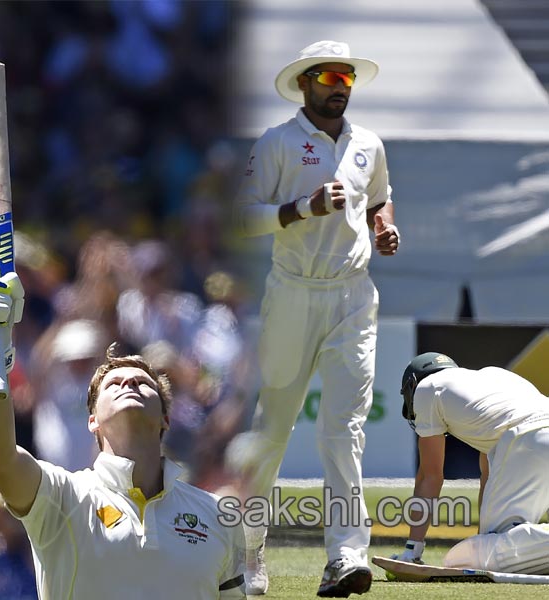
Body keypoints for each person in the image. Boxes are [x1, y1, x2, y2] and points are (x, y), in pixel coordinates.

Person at [0, 268, 246, 599]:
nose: (129, 382)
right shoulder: (62, 496)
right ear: (93, 420)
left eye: (143, 382)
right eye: (114, 383)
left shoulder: (220, 517)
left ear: (166, 418)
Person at [231, 40, 400, 598]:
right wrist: (303, 208)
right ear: (305, 83)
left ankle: (346, 557)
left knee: (344, 430)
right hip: (294, 295)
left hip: (354, 297)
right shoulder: (277, 142)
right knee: (272, 428)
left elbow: (378, 197)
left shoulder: (368, 144)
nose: (338, 87)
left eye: (346, 78)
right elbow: (244, 218)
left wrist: (382, 225)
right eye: (328, 77)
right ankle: (248, 554)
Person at [393, 352, 549, 574]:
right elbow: (489, 476)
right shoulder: (492, 379)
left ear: (413, 383)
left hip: (526, 439)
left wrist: (412, 550)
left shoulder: (427, 387)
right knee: (486, 545)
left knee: (471, 557)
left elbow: (430, 476)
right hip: (532, 434)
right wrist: (485, 534)